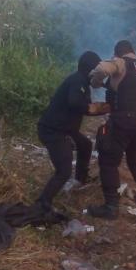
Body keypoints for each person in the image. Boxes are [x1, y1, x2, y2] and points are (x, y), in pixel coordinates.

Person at [86, 40, 136, 219]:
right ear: (133, 51)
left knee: (108, 161)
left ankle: (111, 207)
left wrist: (95, 82)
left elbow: (101, 69)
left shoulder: (120, 62)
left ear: (117, 53)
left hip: (123, 121)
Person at [36, 51, 102, 211]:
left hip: (65, 129)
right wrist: (96, 108)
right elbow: (75, 103)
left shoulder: (83, 83)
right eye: (98, 72)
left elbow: (85, 108)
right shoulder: (77, 81)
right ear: (91, 70)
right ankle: (43, 202)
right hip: (53, 131)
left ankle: (81, 178)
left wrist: (103, 108)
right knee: (64, 171)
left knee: (85, 145)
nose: (100, 76)